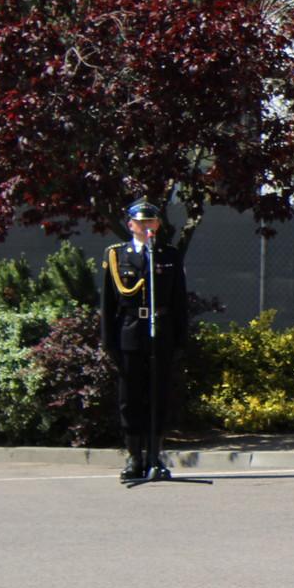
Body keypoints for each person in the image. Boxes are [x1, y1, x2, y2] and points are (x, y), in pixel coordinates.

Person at [99, 199, 188, 482]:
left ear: (158, 225)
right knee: (130, 397)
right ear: (130, 225)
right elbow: (108, 302)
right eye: (141, 222)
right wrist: (108, 340)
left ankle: (155, 457)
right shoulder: (117, 255)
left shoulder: (169, 255)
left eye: (151, 221)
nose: (146, 226)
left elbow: (179, 300)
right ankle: (134, 457)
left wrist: (180, 339)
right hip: (130, 331)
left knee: (158, 395)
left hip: (160, 330)